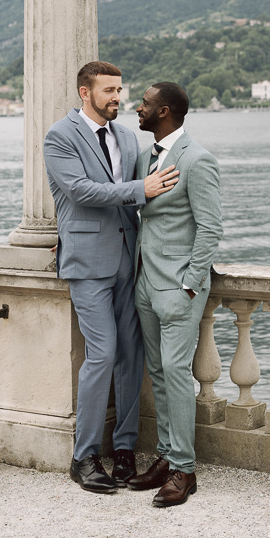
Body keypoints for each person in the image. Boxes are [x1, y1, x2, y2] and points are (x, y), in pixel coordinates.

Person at [43, 61, 179, 494]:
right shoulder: (59, 136)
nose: (117, 97)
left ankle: (123, 449)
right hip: (86, 262)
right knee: (101, 354)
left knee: (131, 355)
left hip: (128, 257)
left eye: (120, 89)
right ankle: (83, 457)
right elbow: (80, 190)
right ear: (86, 93)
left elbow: (141, 192)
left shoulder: (125, 135)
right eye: (108, 90)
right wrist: (143, 190)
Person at [129, 81, 223, 507]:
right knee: (160, 372)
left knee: (177, 373)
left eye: (144, 104)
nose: (137, 108)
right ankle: (166, 456)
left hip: (178, 288)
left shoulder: (198, 160)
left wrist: (190, 281)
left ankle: (185, 469)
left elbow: (210, 227)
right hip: (145, 283)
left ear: (164, 111)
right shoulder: (146, 156)